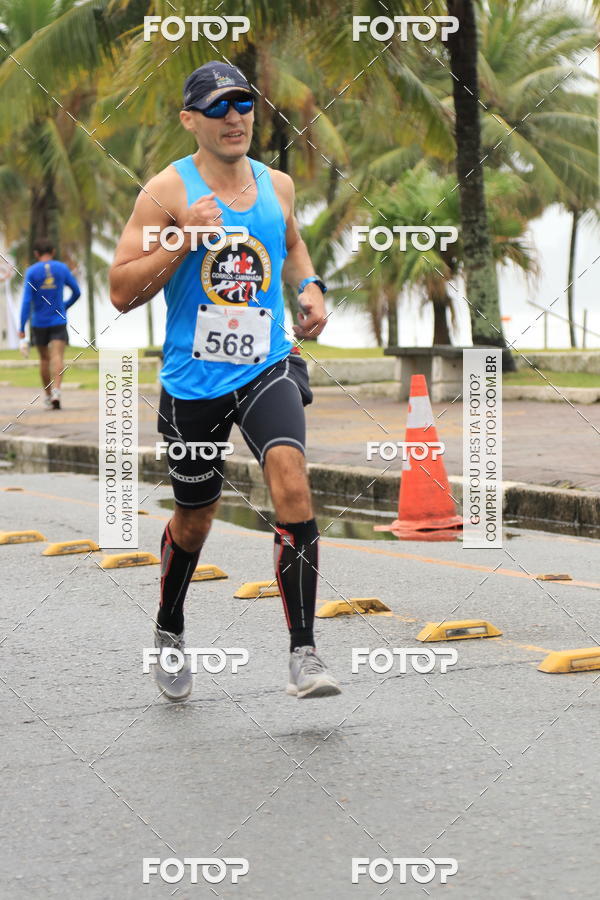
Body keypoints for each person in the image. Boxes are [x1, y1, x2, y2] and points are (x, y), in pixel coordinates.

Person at [110, 61, 341, 702]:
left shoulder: (279, 185)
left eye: (242, 104)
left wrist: (311, 287)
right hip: (193, 381)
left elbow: (290, 243)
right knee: (195, 520)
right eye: (217, 108)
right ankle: (170, 627)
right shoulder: (166, 192)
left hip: (267, 362)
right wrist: (181, 241)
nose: (234, 116)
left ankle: (305, 653)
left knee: (291, 476)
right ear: (191, 121)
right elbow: (121, 291)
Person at [18, 237, 81, 410]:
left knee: (44, 359)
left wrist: (21, 327)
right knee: (58, 356)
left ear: (36, 254)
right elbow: (76, 291)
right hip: (58, 320)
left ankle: (47, 396)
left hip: (39, 322)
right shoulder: (61, 268)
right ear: (52, 252)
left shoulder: (31, 272)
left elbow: (26, 301)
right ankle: (57, 392)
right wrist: (64, 306)